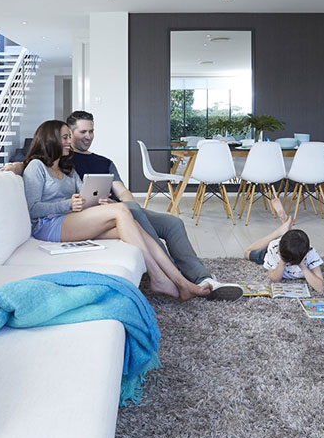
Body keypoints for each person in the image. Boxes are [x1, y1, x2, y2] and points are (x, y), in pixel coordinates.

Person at [21, 119, 210, 301]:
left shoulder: (66, 168)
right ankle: (158, 278)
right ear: (50, 139)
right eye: (65, 137)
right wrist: (67, 204)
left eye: (69, 137)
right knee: (121, 210)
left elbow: (83, 193)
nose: (70, 142)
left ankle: (181, 281)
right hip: (48, 225)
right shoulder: (36, 167)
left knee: (134, 225)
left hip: (71, 219)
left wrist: (96, 202)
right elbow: (32, 209)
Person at [66, 110, 244, 302]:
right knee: (130, 209)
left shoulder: (103, 162)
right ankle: (175, 276)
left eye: (91, 131)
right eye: (83, 132)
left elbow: (123, 192)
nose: (88, 137)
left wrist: (122, 204)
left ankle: (204, 278)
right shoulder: (65, 161)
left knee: (172, 223)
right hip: (94, 217)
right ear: (70, 132)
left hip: (121, 211)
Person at [244, 197, 324, 292]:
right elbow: (274, 278)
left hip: (292, 250)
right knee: (247, 253)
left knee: (294, 244)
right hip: (272, 253)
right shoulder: (275, 249)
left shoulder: (310, 253)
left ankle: (284, 228)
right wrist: (282, 262)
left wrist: (302, 265)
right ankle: (279, 232)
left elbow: (320, 287)